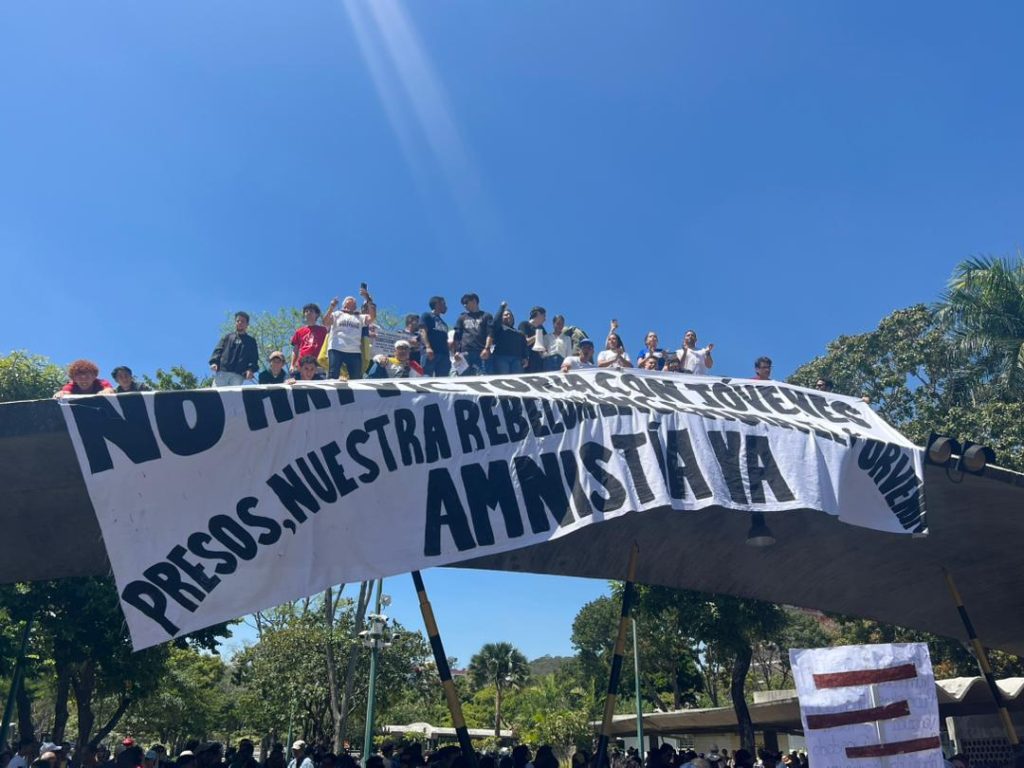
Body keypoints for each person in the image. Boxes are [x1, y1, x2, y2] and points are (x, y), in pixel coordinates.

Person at [324, 288, 376, 380]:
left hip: (354, 351)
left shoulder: (360, 317)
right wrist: (332, 307)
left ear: (356, 306)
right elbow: (325, 322)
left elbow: (372, 317)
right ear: (344, 304)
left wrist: (368, 299)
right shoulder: (337, 314)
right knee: (333, 375)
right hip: (336, 348)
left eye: (354, 302)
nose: (351, 301)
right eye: (349, 300)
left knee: (356, 377)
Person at [209, 312, 259, 386]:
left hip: (238, 376)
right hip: (222, 373)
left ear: (247, 324)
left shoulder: (251, 341)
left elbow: (253, 358)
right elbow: (218, 350)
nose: (240, 323)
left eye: (242, 321)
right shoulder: (227, 337)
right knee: (217, 393)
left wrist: (250, 369)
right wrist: (214, 362)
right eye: (238, 321)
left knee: (234, 394)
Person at [484, 302, 529, 375]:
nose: (508, 316)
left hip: (517, 360)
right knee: (504, 379)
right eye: (505, 315)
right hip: (501, 357)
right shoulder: (499, 329)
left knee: (516, 380)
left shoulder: (520, 333)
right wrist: (502, 308)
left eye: (510, 315)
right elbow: (495, 322)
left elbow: (524, 346)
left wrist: (526, 358)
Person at [453, 293, 492, 376]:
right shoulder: (462, 317)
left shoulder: (486, 316)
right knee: (463, 378)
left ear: (474, 301)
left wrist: (487, 348)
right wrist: (456, 351)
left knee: (482, 377)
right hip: (464, 353)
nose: (464, 305)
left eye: (466, 302)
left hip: (481, 352)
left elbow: (490, 334)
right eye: (463, 304)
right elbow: (457, 336)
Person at [290, 304, 328, 374]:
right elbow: (295, 350)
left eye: (311, 311)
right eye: (306, 311)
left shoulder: (324, 330)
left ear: (317, 314)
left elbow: (328, 347)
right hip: (302, 365)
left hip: (318, 365)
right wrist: (292, 365)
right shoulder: (299, 331)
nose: (308, 313)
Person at [420, 296, 451, 377]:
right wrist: (428, 347)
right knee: (426, 377)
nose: (446, 306)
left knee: (442, 380)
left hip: (444, 355)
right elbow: (423, 331)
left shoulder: (444, 323)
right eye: (444, 304)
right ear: (437, 304)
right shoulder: (427, 316)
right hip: (431, 353)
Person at [518, 306, 548, 373]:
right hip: (528, 361)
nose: (545, 319)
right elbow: (524, 342)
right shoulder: (524, 325)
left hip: (539, 362)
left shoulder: (541, 328)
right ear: (538, 314)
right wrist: (537, 335)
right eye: (544, 316)